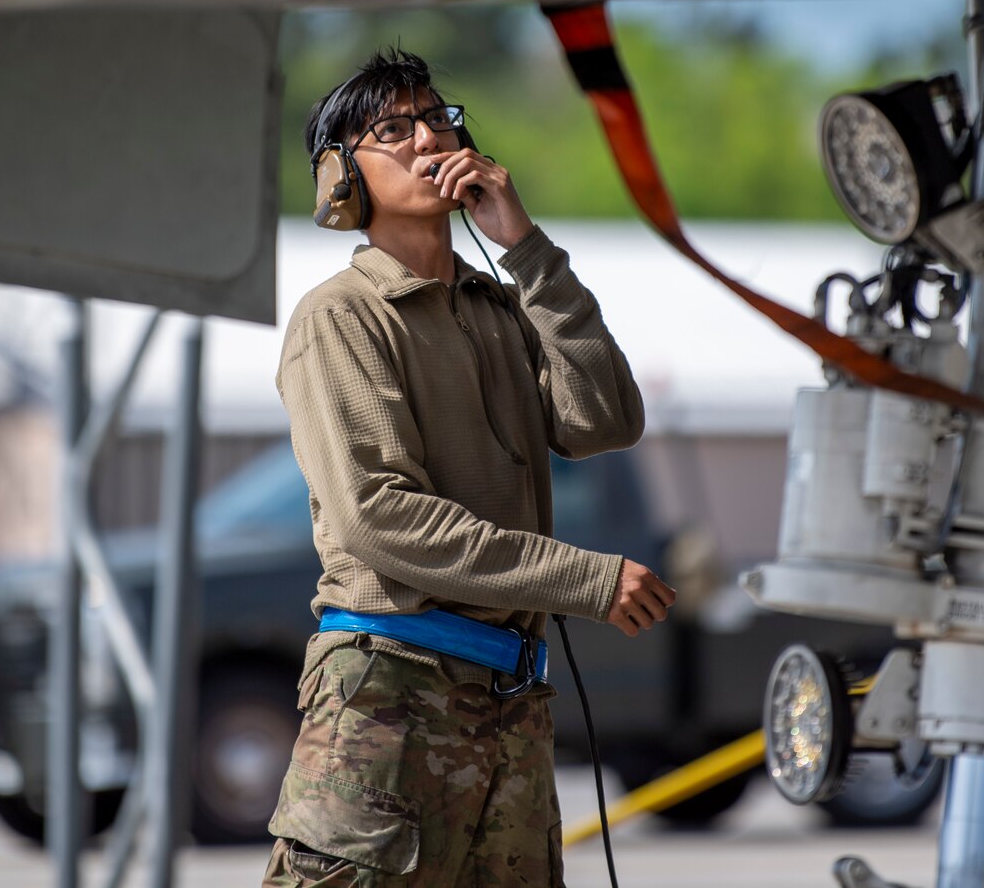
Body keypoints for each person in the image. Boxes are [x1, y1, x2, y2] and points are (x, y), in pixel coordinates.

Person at [263, 48, 675, 887]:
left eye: (438, 117)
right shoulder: (339, 316)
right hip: (387, 696)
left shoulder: (500, 308)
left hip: (510, 701)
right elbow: (377, 514)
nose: (428, 138)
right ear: (342, 173)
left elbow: (606, 419)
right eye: (393, 128)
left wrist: (523, 247)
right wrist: (584, 579)